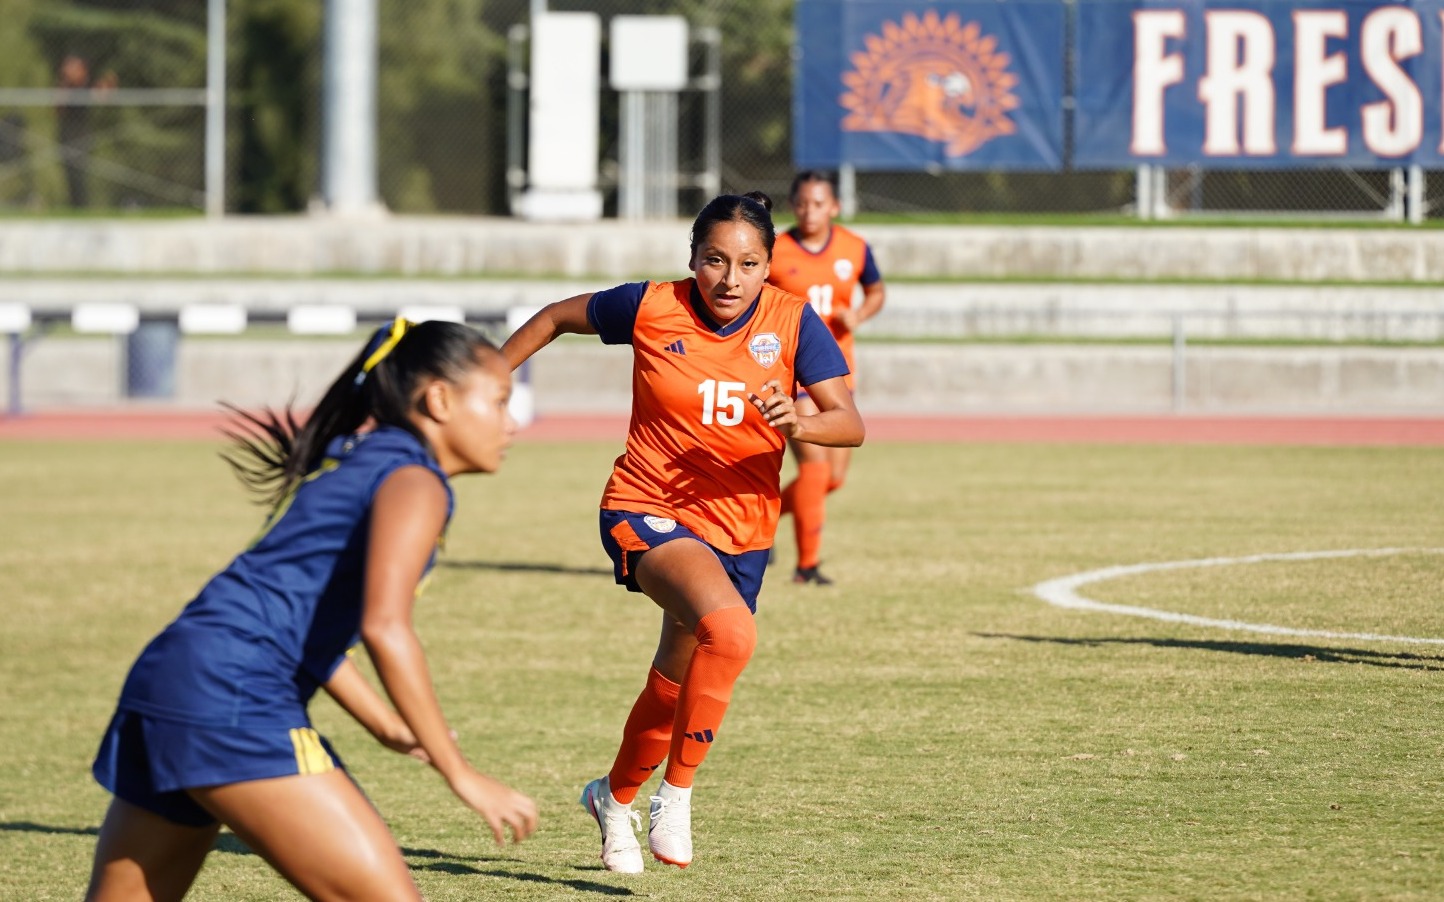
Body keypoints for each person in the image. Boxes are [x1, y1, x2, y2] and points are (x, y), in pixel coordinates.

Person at [86, 319, 538, 901]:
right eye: (500, 401)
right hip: (233, 697)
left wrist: (385, 726)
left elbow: (303, 626)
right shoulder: (414, 481)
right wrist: (460, 772)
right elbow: (384, 627)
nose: (512, 423)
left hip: (172, 680)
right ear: (440, 400)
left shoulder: (363, 458)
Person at [501, 192, 864, 873]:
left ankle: (614, 799)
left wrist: (801, 422)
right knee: (730, 633)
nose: (730, 279)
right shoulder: (650, 305)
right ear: (692, 259)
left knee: (675, 681)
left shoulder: (792, 321)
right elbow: (555, 317)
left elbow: (850, 423)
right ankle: (677, 796)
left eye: (749, 263)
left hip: (742, 529)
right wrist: (490, 375)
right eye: (715, 260)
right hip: (647, 504)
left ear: (769, 265)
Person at [766, 170, 886, 585]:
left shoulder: (854, 248)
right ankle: (807, 566)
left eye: (818, 204)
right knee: (815, 470)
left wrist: (860, 314)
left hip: (838, 374)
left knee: (832, 479)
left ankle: (761, 522)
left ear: (834, 206)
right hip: (793, 374)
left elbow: (876, 290)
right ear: (792, 205)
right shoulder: (775, 249)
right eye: (801, 203)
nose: (809, 211)